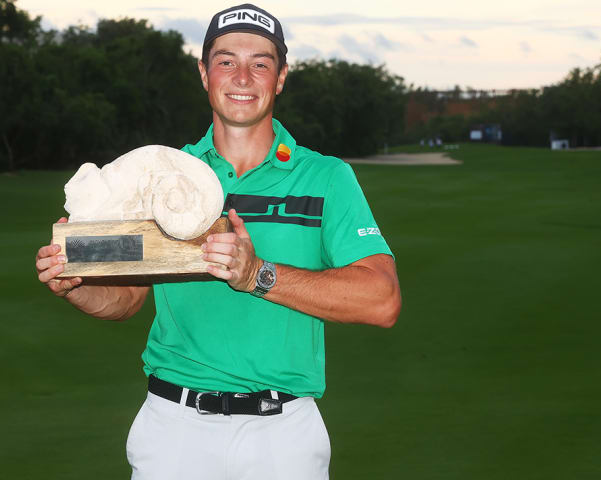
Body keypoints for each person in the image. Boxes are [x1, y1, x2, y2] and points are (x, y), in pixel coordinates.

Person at [35, 4, 401, 479]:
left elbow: (382, 299)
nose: (243, 77)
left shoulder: (326, 177)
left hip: (283, 435)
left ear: (282, 76)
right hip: (174, 431)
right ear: (204, 73)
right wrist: (78, 285)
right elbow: (125, 298)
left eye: (261, 63)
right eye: (226, 61)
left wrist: (257, 275)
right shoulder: (160, 174)